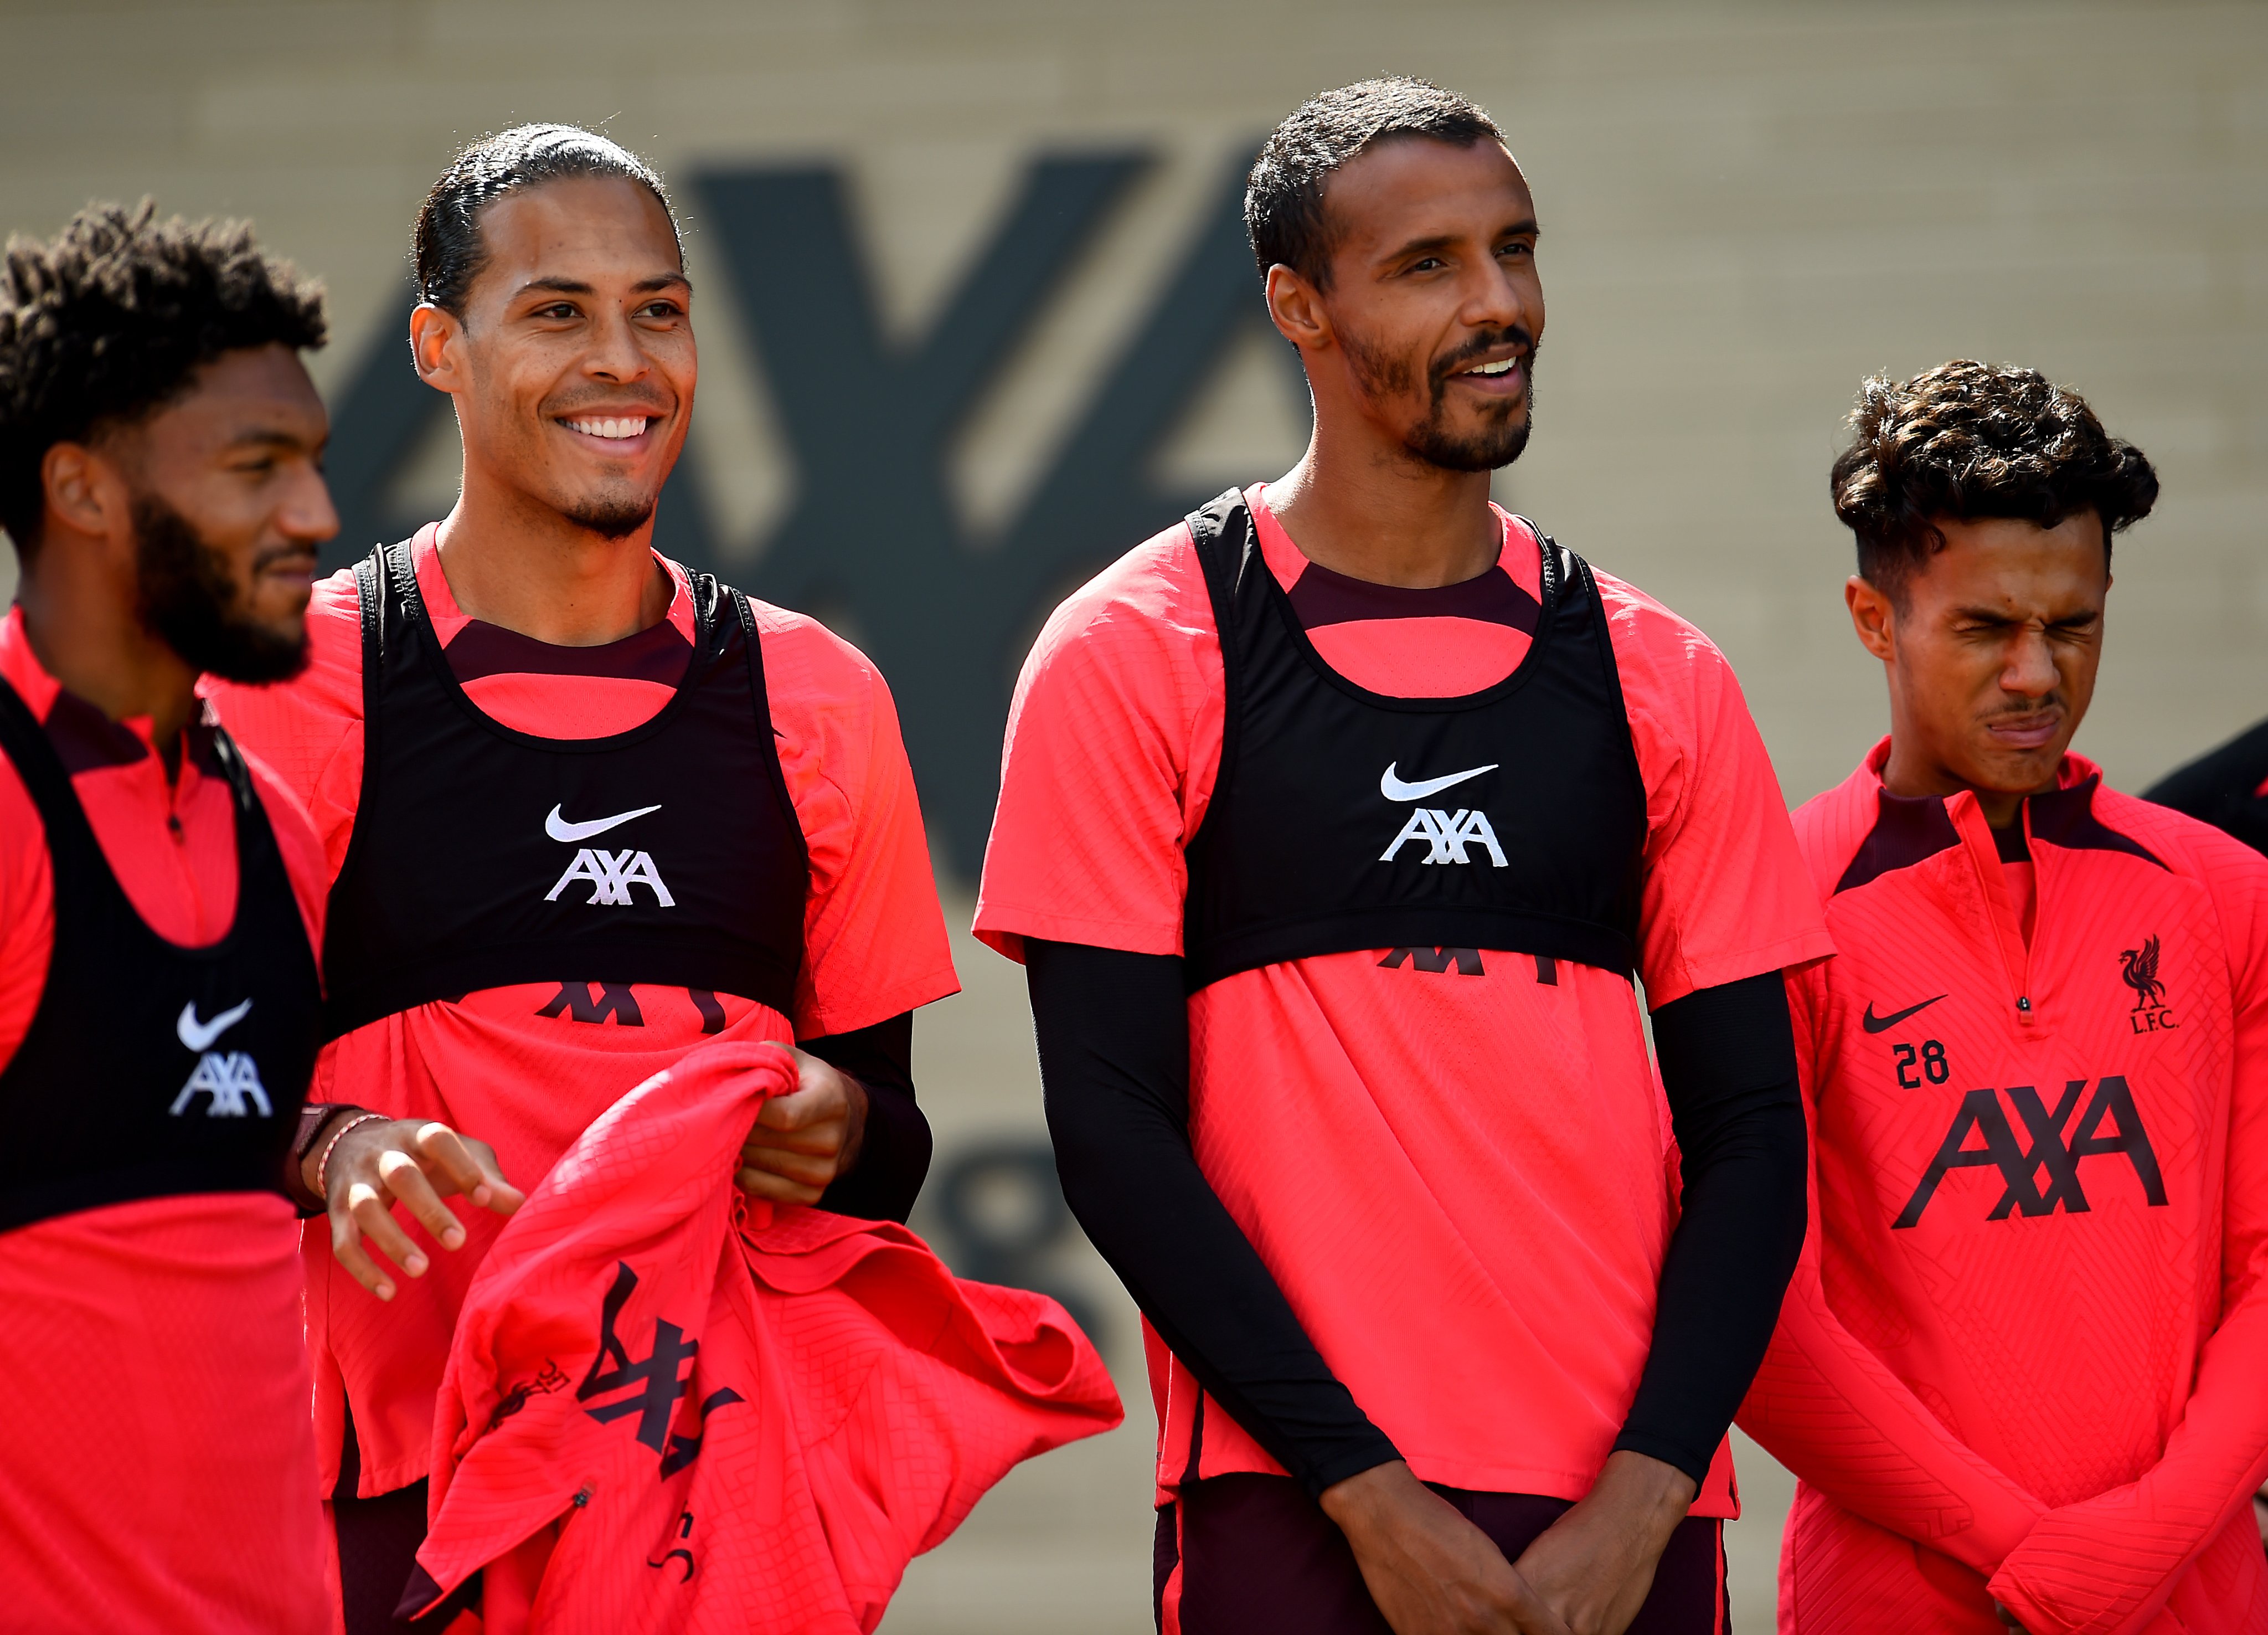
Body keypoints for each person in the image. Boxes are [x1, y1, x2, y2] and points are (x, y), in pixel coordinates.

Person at [976, 78, 1833, 1635]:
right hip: (1295, 1505)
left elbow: (1759, 1139)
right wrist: (1366, 1493)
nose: (1501, 303)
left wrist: (1648, 1496)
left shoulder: (1662, 676)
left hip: (1626, 1522)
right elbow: (1111, 1132)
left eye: (1516, 249)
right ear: (1298, 306)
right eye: (1429, 264)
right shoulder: (1134, 652)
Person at [208, 126, 961, 1632]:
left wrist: (835, 1122)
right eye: (557, 310)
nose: (622, 360)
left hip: (712, 1502)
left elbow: (890, 1141)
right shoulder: (287, 687)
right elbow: (126, 1101)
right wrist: (327, 1145)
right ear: (440, 344)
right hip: (382, 1513)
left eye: (658, 311)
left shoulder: (819, 696)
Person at [0, 203, 508, 1631]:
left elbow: (150, 1136)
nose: (315, 519)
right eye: (255, 470)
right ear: (83, 491)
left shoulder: (260, 815)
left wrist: (335, 1141)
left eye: (313, 465)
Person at [1737, 360, 2268, 1633]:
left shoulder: (2223, 893)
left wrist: (2146, 1538)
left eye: (2072, 625)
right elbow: (1752, 1309)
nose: (2035, 673)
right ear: (1876, 620)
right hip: (1897, 1602)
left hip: (2191, 1597)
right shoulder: (1767, 908)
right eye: (1983, 628)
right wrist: (2018, 1547)